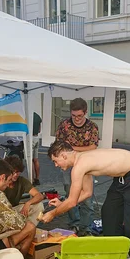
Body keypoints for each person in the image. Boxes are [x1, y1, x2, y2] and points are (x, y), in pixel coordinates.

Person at [41, 141, 130, 259]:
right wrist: (62, 203)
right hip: (121, 180)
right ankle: (118, 256)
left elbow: (73, 202)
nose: (56, 165)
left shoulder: (80, 166)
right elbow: (87, 193)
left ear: (63, 155)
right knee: (109, 218)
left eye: (55, 161)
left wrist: (53, 214)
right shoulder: (81, 162)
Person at [55, 97, 99, 236]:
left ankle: (85, 228)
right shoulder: (64, 125)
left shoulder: (92, 126)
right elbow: (59, 147)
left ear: (85, 113)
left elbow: (93, 147)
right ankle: (74, 224)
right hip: (68, 167)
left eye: (80, 116)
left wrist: (72, 149)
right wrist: (78, 150)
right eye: (73, 116)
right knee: (70, 195)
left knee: (87, 198)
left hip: (86, 166)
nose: (77, 119)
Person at [4, 155, 44, 226]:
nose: (16, 174)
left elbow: (39, 196)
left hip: (14, 209)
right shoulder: (2, 182)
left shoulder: (21, 181)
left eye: (18, 172)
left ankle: (28, 228)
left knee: (39, 206)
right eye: (14, 172)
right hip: (3, 211)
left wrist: (28, 203)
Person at [33, 112, 42, 186]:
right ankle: (37, 178)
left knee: (30, 160)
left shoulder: (27, 117)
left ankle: (32, 179)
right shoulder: (37, 116)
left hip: (30, 138)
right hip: (36, 138)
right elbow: (39, 130)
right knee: (35, 160)